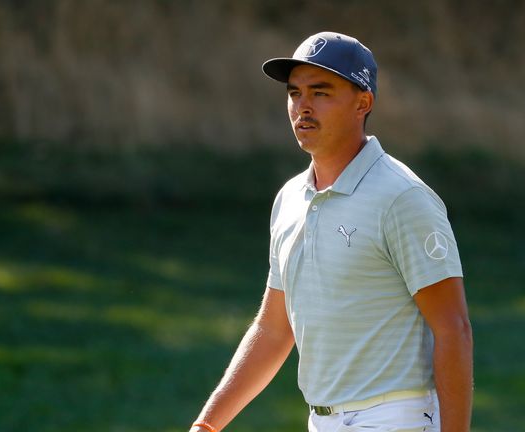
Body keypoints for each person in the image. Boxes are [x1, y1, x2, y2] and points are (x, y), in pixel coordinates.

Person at [188, 31, 473, 432]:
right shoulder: (289, 199)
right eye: (294, 94)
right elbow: (273, 329)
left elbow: (453, 327)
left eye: (320, 93)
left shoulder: (402, 197)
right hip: (321, 421)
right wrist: (207, 425)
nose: (303, 107)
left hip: (396, 419)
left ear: (363, 103)